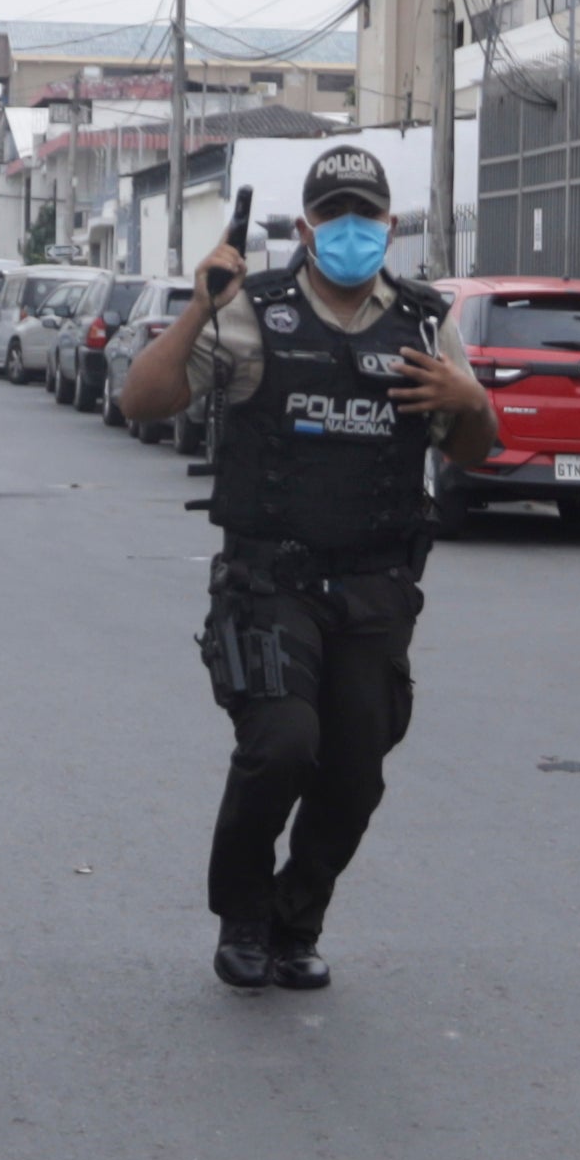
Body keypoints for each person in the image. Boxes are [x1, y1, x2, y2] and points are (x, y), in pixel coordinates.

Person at [116, 144, 495, 992]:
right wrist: (196, 310)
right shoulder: (252, 311)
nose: (351, 230)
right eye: (334, 215)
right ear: (307, 227)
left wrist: (473, 404)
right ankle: (243, 916)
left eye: (367, 215)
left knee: (356, 771)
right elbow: (141, 400)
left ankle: (298, 921)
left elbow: (471, 446)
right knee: (282, 745)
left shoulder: (427, 323)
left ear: (389, 227)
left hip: (374, 587)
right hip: (270, 581)